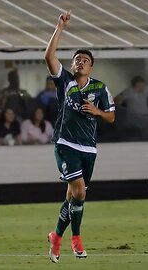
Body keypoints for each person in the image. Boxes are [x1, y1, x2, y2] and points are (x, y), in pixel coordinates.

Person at [44, 11, 115, 263]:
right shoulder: (65, 81)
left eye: (85, 59)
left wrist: (97, 111)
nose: (81, 62)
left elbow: (111, 117)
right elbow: (48, 56)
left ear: (91, 66)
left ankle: (56, 238)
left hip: (89, 149)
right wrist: (59, 27)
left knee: (72, 195)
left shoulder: (100, 88)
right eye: (77, 59)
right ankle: (76, 239)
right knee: (80, 193)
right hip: (65, 144)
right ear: (72, 65)